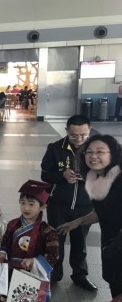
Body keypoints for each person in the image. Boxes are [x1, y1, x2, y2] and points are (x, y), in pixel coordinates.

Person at [57, 134, 122, 302]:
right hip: (112, 244)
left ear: (113, 154)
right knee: (118, 294)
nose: (93, 156)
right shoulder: (99, 179)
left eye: (100, 151)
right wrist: (77, 223)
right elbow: (102, 211)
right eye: (90, 152)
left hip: (119, 245)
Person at [0, 180, 59, 302]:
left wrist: (35, 261)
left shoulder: (48, 231)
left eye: (32, 204)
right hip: (12, 272)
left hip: (33, 277)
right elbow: (5, 244)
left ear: (43, 206)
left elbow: (53, 256)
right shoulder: (13, 224)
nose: (26, 208)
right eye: (23, 203)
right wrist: (1, 253)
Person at [40, 114, 96, 290]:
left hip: (85, 205)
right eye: (74, 135)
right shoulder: (55, 148)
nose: (79, 139)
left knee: (80, 243)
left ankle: (80, 275)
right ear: (66, 131)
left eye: (83, 135)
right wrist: (62, 176)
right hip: (59, 205)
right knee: (56, 241)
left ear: (90, 131)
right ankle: (55, 274)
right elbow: (45, 174)